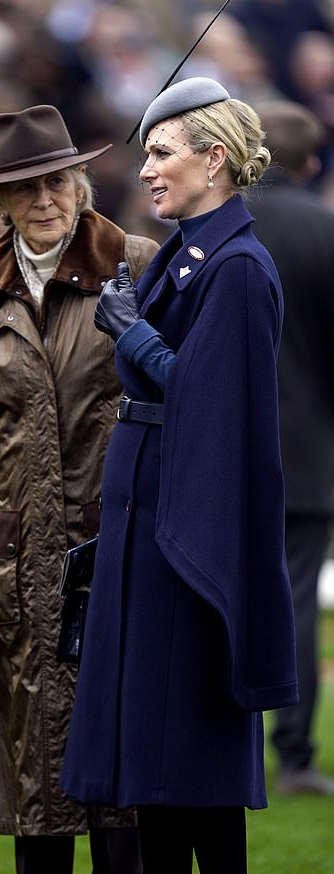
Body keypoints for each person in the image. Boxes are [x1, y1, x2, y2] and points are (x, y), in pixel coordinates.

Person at [61, 77, 298, 874]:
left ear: (215, 159)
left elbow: (204, 402)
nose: (149, 170)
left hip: (184, 538)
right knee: (157, 768)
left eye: (162, 153)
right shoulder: (189, 255)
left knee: (190, 764)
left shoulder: (237, 266)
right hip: (152, 530)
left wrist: (130, 333)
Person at [0, 104, 159, 874]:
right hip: (13, 559)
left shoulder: (134, 261)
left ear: (83, 183)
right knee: (31, 772)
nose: (45, 201)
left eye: (57, 182)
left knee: (119, 782)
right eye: (26, 189)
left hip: (109, 548)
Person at [246, 100, 334, 796]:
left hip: (223, 451)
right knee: (295, 600)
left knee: (223, 596)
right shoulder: (325, 230)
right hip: (306, 456)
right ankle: (296, 756)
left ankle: (225, 742)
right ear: (311, 163)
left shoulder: (214, 227)